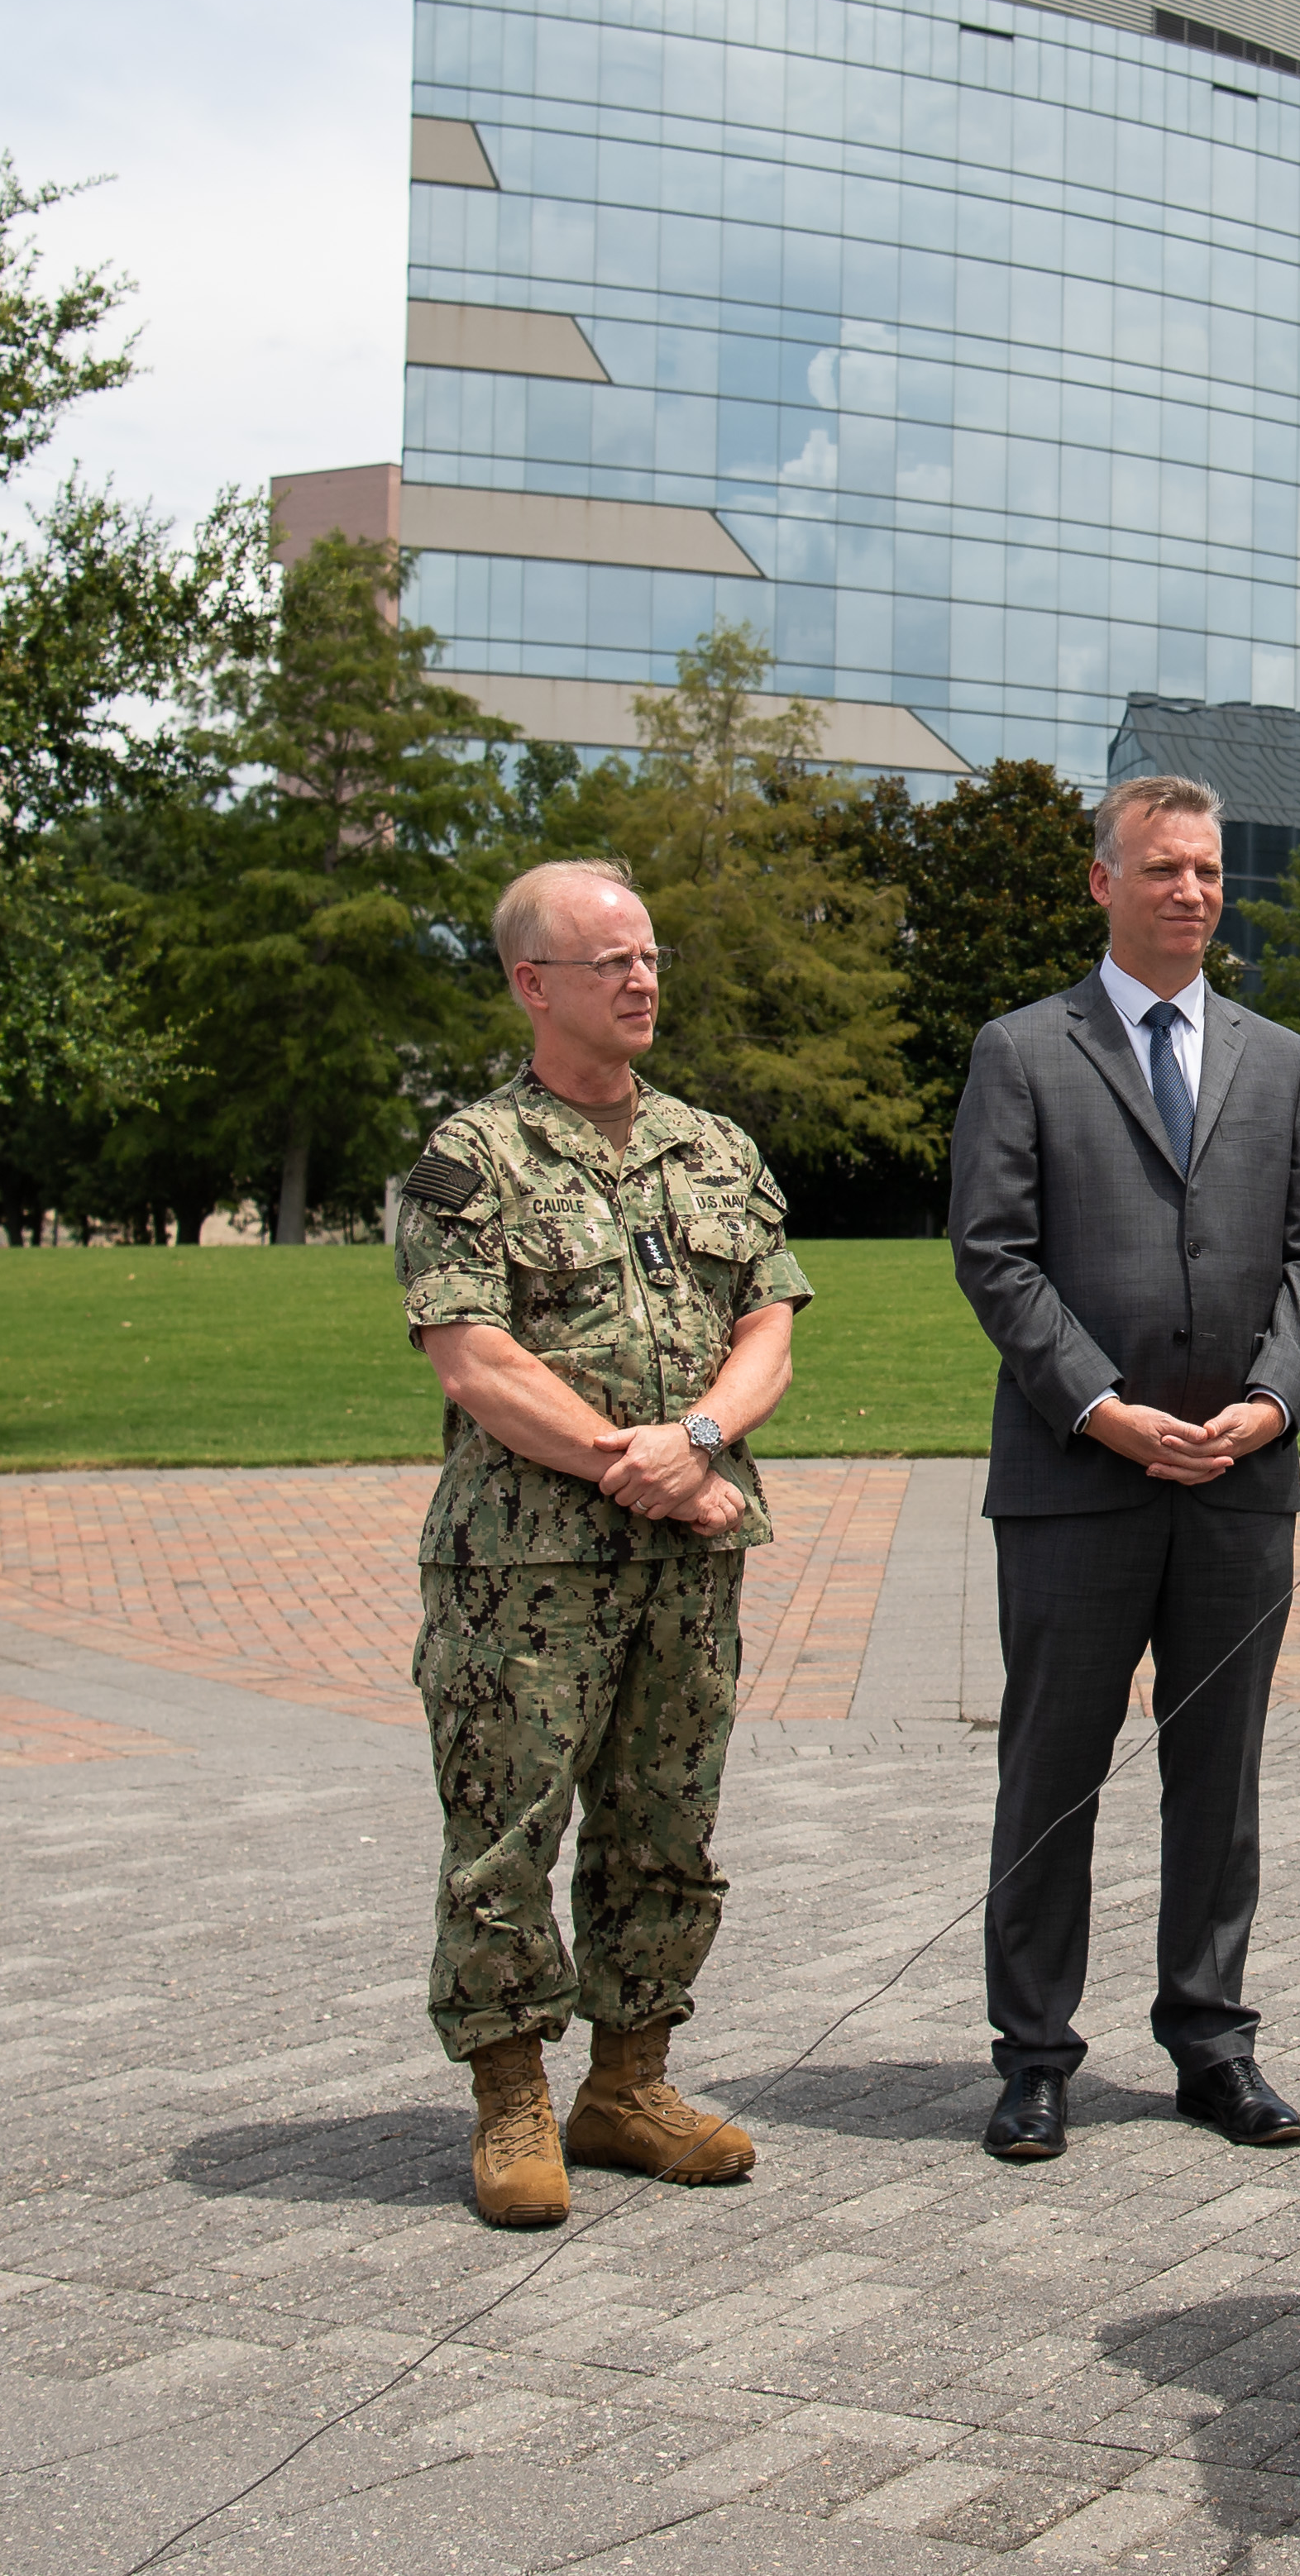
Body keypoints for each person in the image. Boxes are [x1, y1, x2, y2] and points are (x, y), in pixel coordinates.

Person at [396, 858, 816, 2230]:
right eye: (609, 963)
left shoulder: (714, 1148)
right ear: (533, 985)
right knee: (507, 1829)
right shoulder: (471, 1157)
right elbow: (473, 1358)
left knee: (667, 1822)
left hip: (688, 1557)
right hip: (525, 1569)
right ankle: (512, 2098)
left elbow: (770, 1327)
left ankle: (628, 2086)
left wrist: (692, 1443)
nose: (640, 981)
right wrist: (637, 1465)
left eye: (649, 958)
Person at [947, 774, 1300, 2167]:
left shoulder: (1278, 1057)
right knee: (1051, 1770)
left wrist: (1273, 1401)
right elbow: (993, 1255)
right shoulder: (1022, 1050)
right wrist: (1100, 1408)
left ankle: (1211, 2039)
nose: (1191, 891)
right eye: (1164, 868)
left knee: (1219, 1776)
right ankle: (1033, 2055)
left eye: (1209, 872)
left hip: (1239, 1478)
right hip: (1079, 1476)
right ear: (1102, 882)